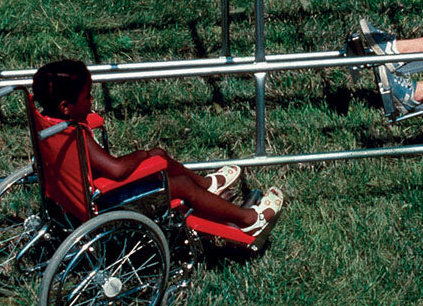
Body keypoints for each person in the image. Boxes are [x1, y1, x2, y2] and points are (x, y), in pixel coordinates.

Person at [32, 59, 282, 235]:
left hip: (76, 195)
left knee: (159, 155)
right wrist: (142, 155)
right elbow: (116, 170)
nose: (91, 100)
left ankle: (208, 186)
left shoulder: (48, 126)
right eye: (87, 97)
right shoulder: (74, 135)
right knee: (179, 184)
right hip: (104, 201)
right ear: (66, 107)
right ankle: (250, 220)